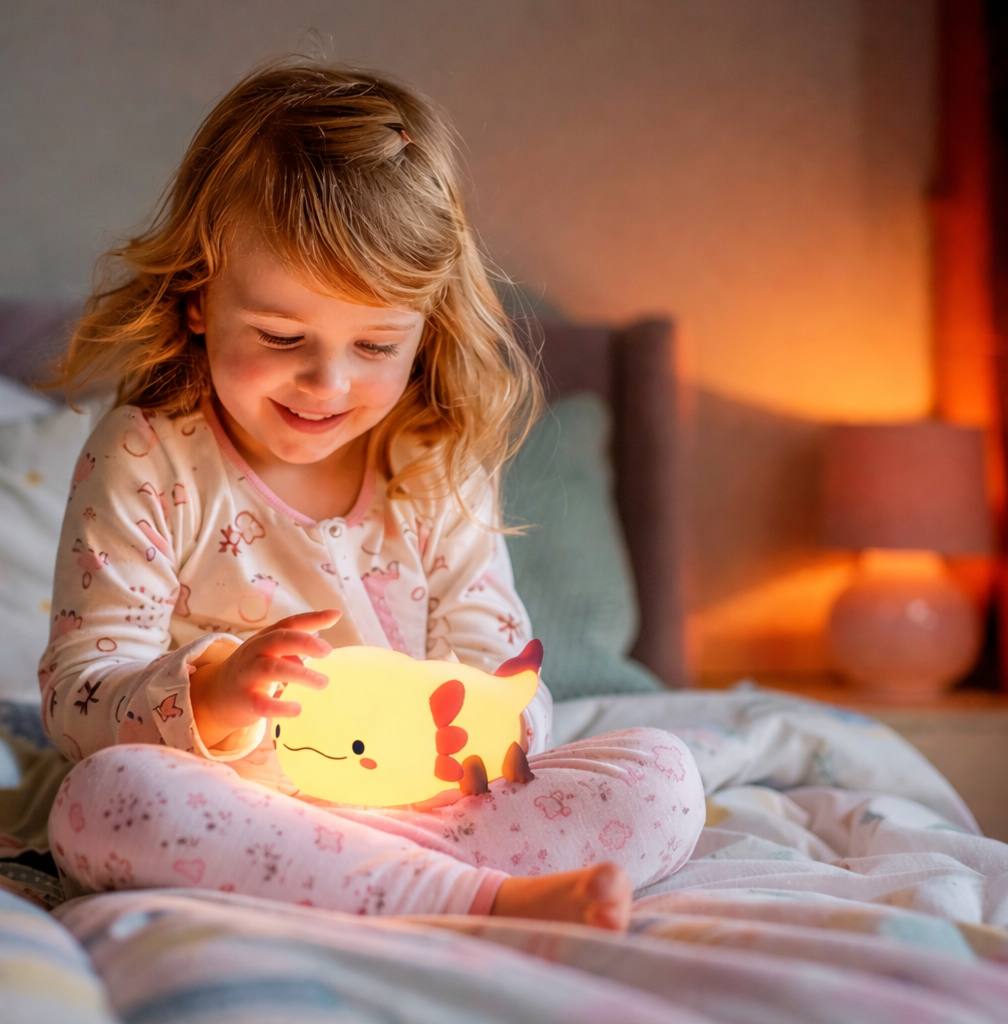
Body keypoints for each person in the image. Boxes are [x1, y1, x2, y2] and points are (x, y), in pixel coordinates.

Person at [41, 59, 705, 930]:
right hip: (241, 801)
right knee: (108, 800)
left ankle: (360, 877)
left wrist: (489, 727)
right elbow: (80, 692)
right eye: (283, 335)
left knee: (664, 780)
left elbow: (495, 657)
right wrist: (213, 695)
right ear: (200, 293)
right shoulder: (148, 455)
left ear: (425, 325)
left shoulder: (434, 461)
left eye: (377, 345)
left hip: (429, 800)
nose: (327, 381)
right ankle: (472, 898)